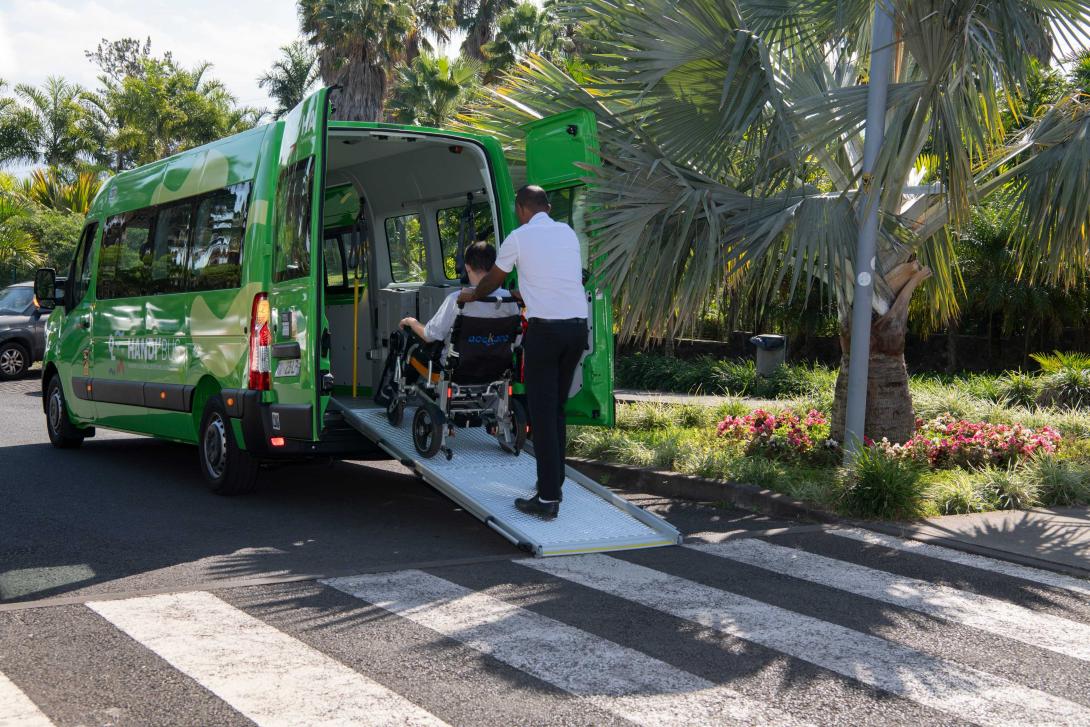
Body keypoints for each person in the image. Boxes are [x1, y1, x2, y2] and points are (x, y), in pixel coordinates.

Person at [459, 185, 587, 519]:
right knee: (556, 408)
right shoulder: (568, 233)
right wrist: (524, 290)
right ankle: (554, 482)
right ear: (546, 206)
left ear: (521, 209)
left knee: (541, 414)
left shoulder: (518, 237)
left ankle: (547, 500)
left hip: (546, 332)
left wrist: (473, 295)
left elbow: (491, 281)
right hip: (576, 329)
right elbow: (555, 278)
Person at [399, 241, 519, 362]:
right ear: (494, 266)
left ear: (467, 267)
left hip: (459, 373)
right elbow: (517, 341)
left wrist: (411, 321)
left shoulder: (457, 299)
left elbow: (430, 335)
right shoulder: (509, 299)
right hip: (496, 371)